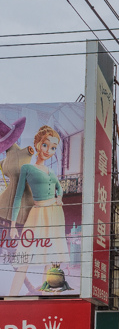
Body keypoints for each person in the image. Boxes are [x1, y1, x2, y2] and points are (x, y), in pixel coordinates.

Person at [6, 126, 69, 296]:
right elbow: (18, 196)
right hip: (38, 213)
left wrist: (59, 198)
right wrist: (13, 225)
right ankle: (10, 298)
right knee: (25, 257)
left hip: (55, 213)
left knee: (51, 257)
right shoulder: (28, 168)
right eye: (45, 145)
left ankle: (44, 296)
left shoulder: (52, 171)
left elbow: (59, 188)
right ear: (37, 144)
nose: (48, 151)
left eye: (53, 148)